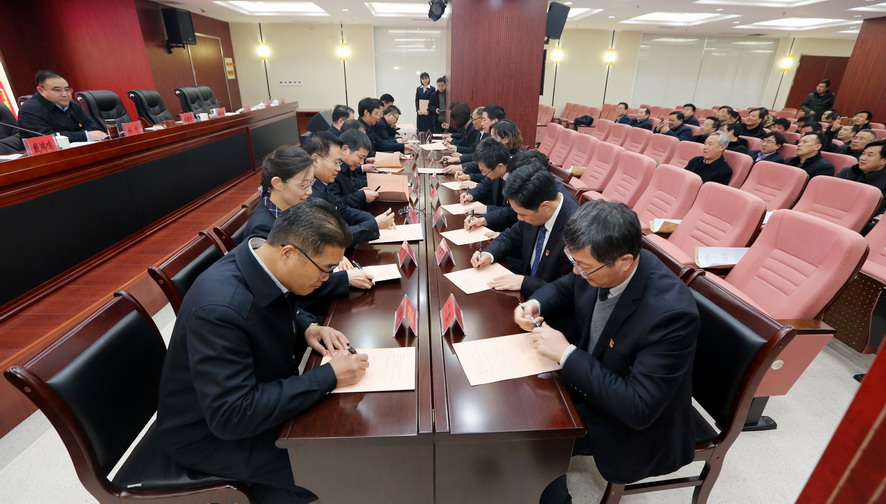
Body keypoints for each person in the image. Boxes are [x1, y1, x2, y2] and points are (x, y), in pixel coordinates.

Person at [157, 199, 370, 504]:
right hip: (206, 435)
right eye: (324, 270)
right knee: (336, 466)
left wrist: (307, 327)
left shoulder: (259, 260)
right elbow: (232, 415)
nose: (326, 279)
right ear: (288, 253)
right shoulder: (220, 311)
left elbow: (277, 304)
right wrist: (329, 376)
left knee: (343, 438)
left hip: (249, 395)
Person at [519, 200, 699, 504]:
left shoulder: (671, 314)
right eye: (573, 261)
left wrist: (566, 354)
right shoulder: (599, 265)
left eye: (584, 267)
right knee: (523, 400)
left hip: (631, 418)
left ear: (625, 261)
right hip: (593, 378)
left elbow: (638, 407)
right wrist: (533, 304)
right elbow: (564, 287)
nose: (576, 271)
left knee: (537, 436)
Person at [243, 145, 375, 313]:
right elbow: (287, 284)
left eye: (311, 183)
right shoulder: (263, 227)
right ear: (277, 183)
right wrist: (344, 279)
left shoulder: (293, 206)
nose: (310, 191)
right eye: (303, 185)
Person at [471, 165, 578, 298]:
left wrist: (525, 283)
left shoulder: (576, 231)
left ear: (545, 206)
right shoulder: (533, 207)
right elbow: (510, 236)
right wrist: (488, 254)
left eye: (522, 214)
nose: (519, 218)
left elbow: (569, 290)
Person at [306, 132, 395, 245]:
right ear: (315, 160)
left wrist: (372, 220)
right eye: (336, 163)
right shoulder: (310, 193)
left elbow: (340, 209)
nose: (339, 168)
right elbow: (330, 238)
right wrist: (374, 224)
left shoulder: (322, 183)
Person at [17, 70, 106, 141]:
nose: (65, 94)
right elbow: (47, 137)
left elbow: (91, 126)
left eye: (67, 89)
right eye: (57, 90)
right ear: (41, 91)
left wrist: (87, 135)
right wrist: (85, 135)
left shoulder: (71, 103)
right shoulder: (29, 109)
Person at [837, 140, 886, 219]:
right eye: (863, 154)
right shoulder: (847, 172)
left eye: (870, 155)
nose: (863, 158)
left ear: (884, 161)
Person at [329, 129, 377, 210]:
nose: (362, 163)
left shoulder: (347, 166)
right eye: (360, 157)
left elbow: (346, 191)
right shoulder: (332, 171)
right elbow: (336, 205)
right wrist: (360, 196)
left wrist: (358, 192)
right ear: (345, 150)